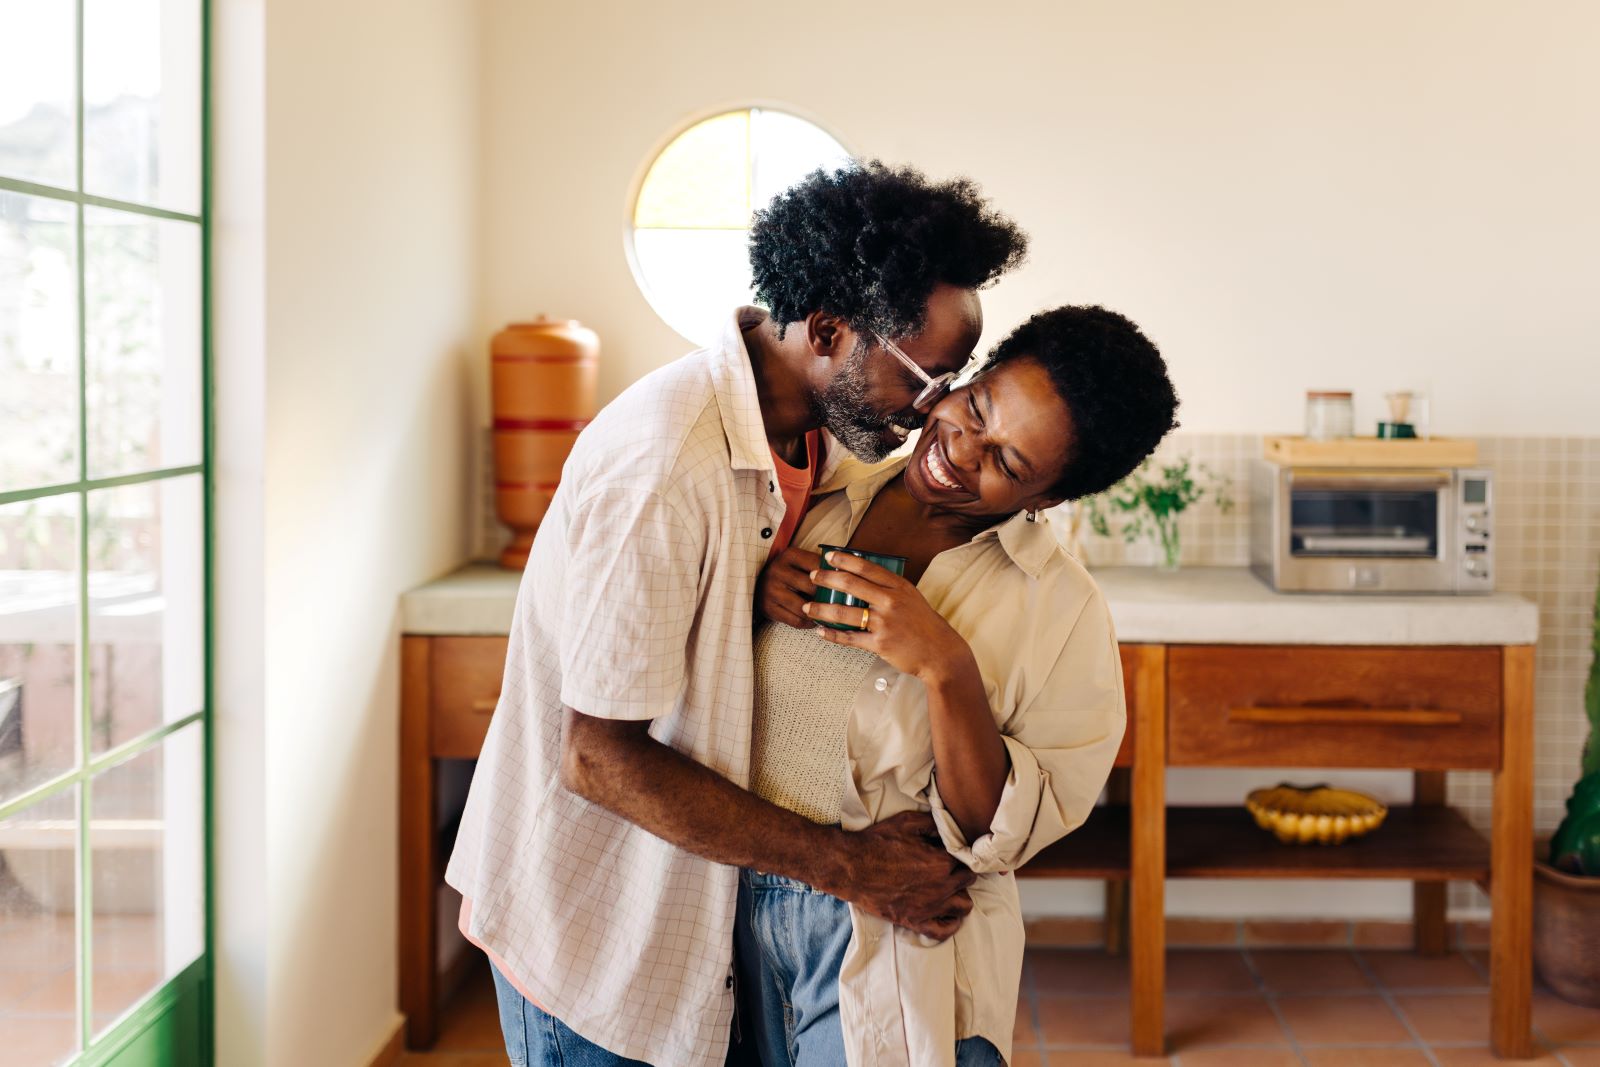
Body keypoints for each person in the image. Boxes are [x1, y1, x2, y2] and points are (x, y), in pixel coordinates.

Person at [445, 161, 1029, 1067]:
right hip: (591, 934)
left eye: (953, 381)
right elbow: (598, 755)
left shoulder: (811, 431)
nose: (930, 415)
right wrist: (850, 865)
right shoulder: (667, 465)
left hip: (687, 925)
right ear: (829, 331)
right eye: (925, 378)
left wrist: (748, 590)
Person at [743, 305, 1180, 1066]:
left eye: (1008, 465)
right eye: (975, 409)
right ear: (964, 379)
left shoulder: (1061, 610)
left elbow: (995, 834)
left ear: (1044, 500)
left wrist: (947, 666)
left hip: (896, 953)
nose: (959, 451)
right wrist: (758, 591)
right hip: (730, 917)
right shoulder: (815, 492)